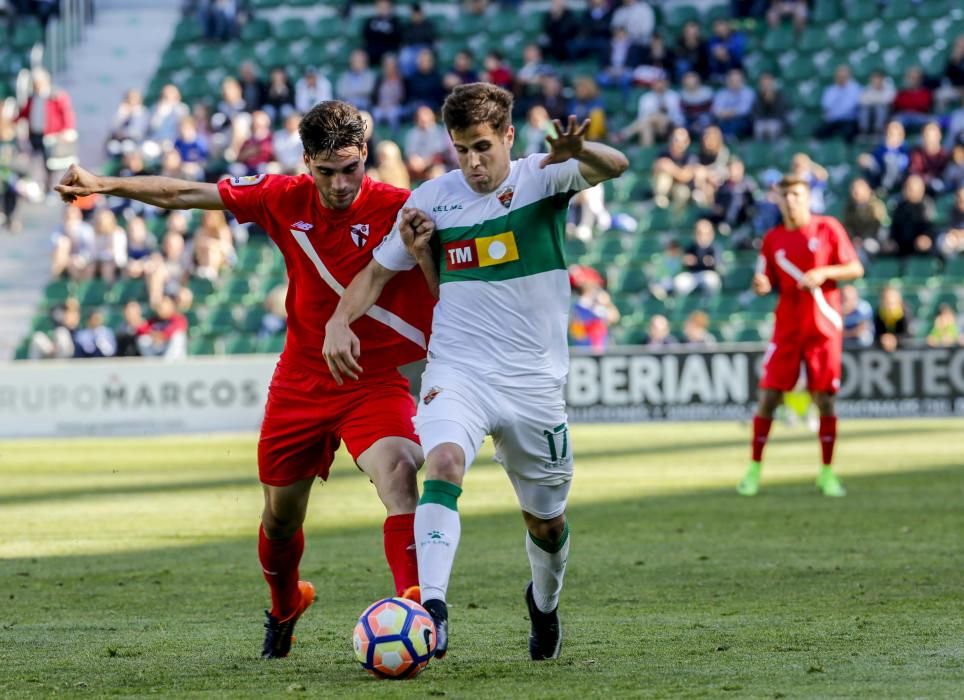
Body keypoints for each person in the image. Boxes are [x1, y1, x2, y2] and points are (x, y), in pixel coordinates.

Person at [55, 100, 437, 659]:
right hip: (301, 382)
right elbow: (186, 193)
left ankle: (417, 607)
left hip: (372, 381)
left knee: (401, 472)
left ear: (366, 157)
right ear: (306, 161)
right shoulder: (282, 197)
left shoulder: (401, 208)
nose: (338, 184)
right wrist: (103, 184)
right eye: (325, 171)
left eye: (349, 169)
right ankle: (285, 604)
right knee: (281, 520)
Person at [323, 83, 628, 660]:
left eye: (484, 147)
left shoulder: (544, 174)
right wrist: (340, 319)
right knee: (441, 462)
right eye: (461, 149)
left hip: (533, 381)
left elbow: (616, 165)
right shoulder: (434, 198)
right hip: (458, 368)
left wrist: (580, 151)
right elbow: (375, 275)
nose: (473, 162)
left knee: (548, 524)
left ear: (509, 137)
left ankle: (543, 602)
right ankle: (430, 611)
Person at [737, 174, 864, 498]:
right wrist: (761, 285)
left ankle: (827, 472)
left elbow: (855, 268)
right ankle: (753, 470)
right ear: (777, 200)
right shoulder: (773, 238)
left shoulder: (828, 228)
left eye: (796, 194)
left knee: (825, 399)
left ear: (807, 197)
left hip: (823, 326)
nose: (790, 200)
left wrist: (824, 272)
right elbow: (763, 278)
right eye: (784, 195)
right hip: (788, 326)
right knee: (768, 396)